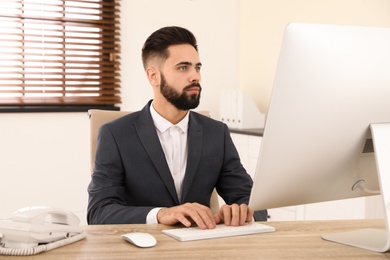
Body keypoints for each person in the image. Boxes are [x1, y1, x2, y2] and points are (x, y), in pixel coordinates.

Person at [87, 26, 267, 228]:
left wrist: (241, 210)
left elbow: (255, 204)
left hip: (201, 250)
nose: (195, 76)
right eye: (183, 68)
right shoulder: (115, 135)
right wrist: (160, 214)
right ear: (153, 76)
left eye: (197, 68)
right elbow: (99, 212)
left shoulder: (217, 133)